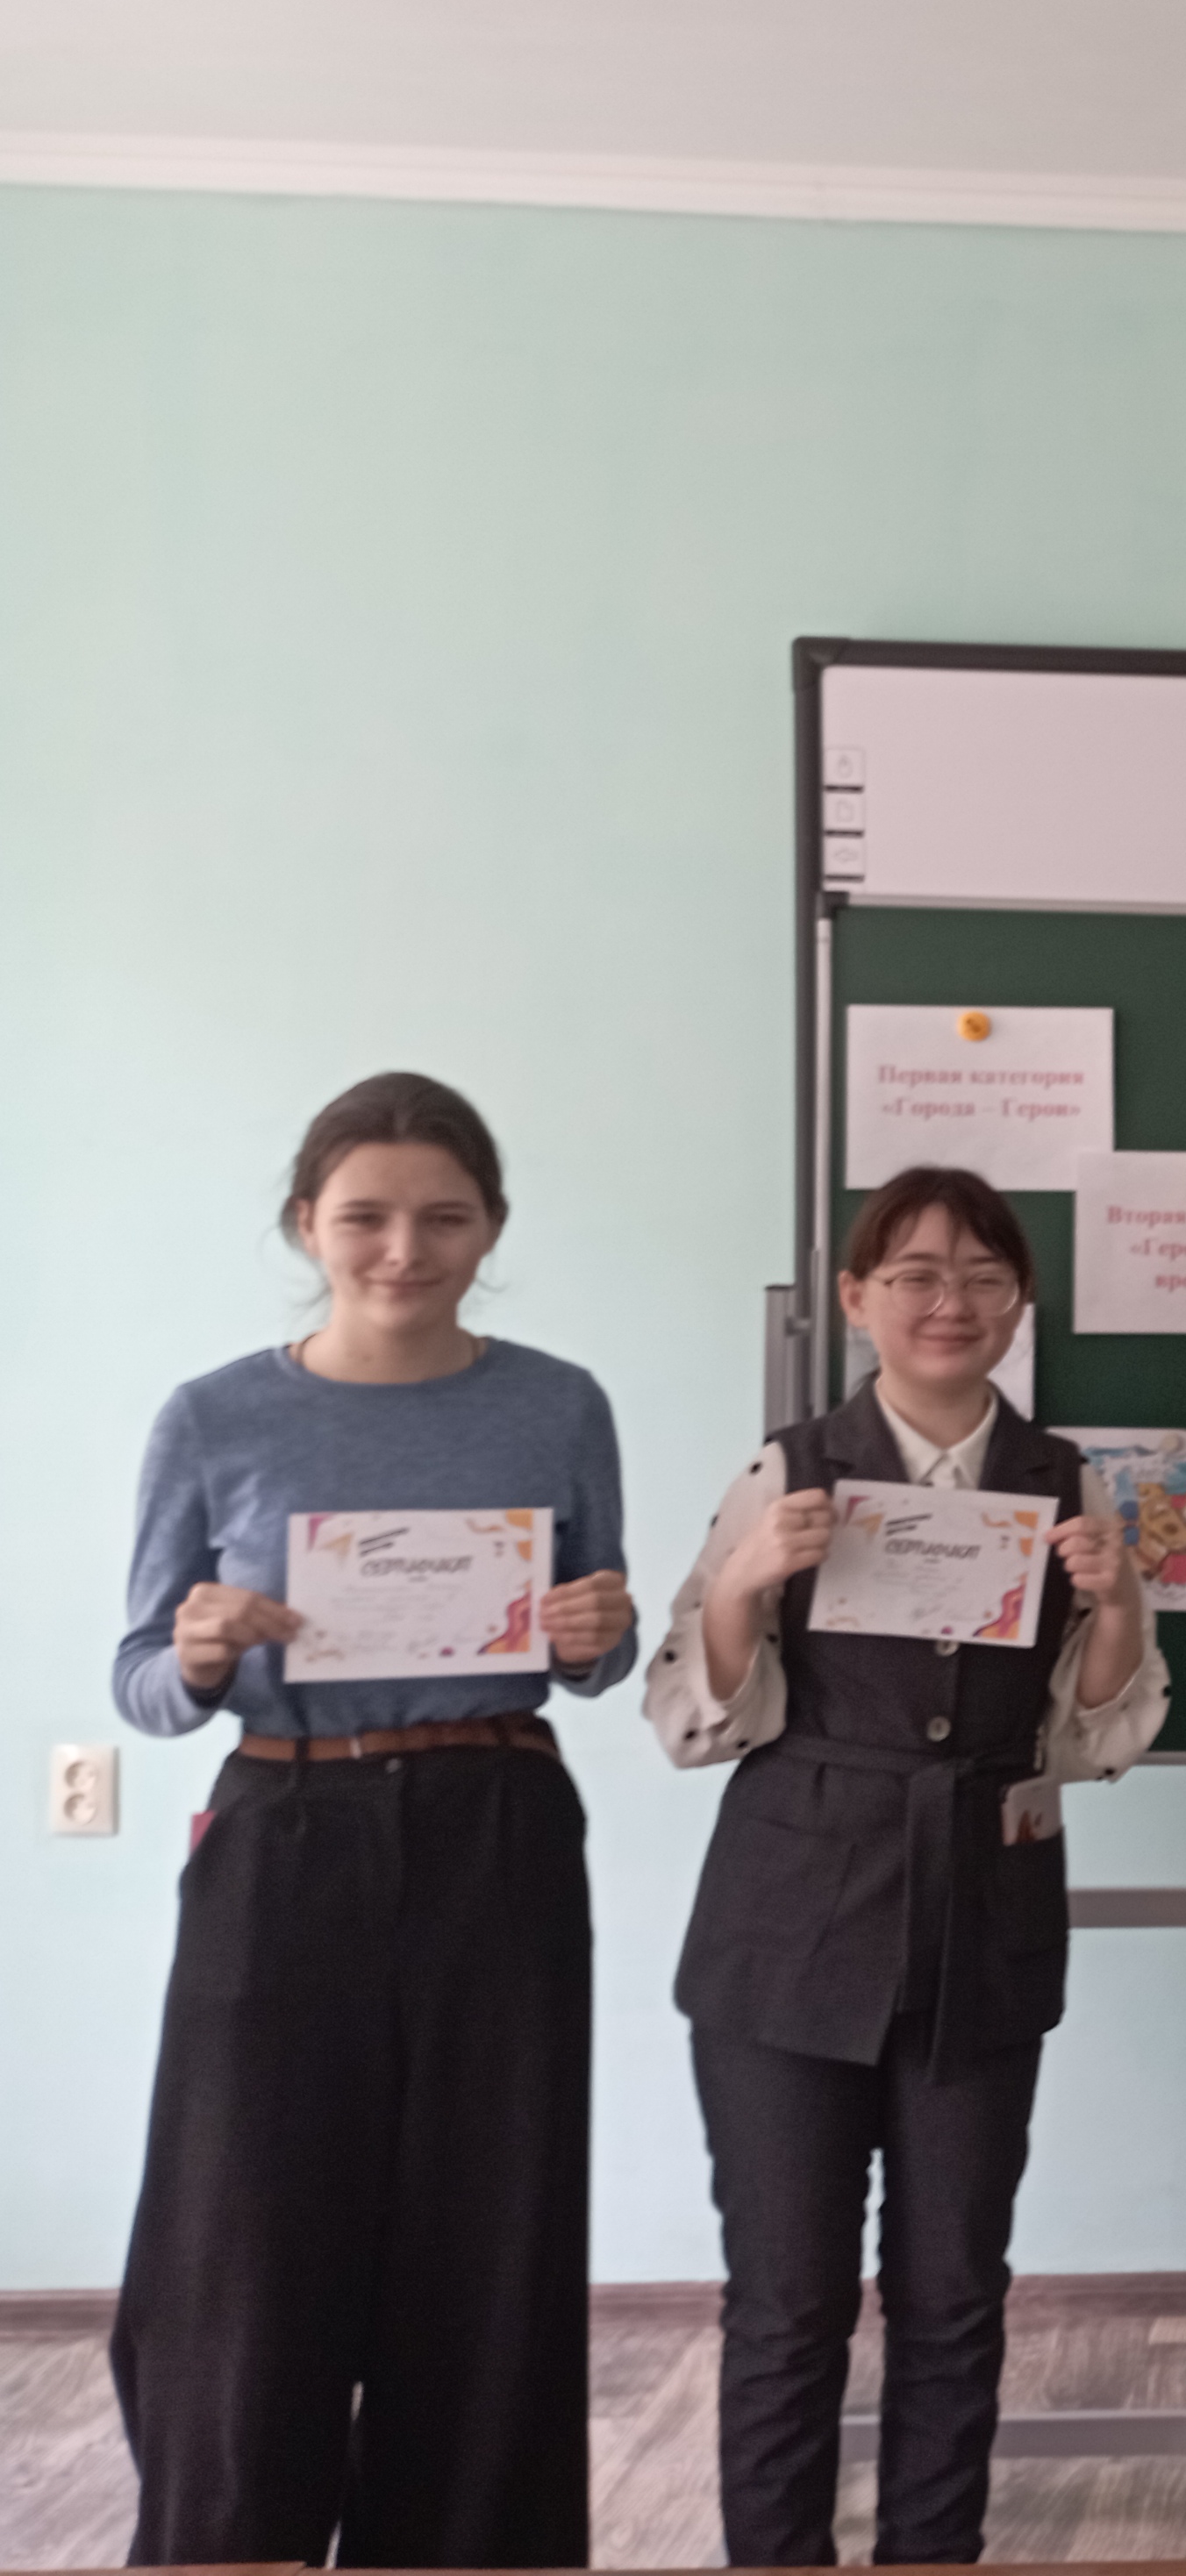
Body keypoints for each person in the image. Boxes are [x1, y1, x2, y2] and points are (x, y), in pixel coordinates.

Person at [109, 1072, 639, 2568]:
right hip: (284, 1825)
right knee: (244, 2230)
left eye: (444, 1217)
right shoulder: (213, 1414)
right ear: (306, 1222)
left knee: (492, 2225)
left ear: (492, 1228)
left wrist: (602, 1629)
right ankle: (229, 2543)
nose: (404, 1249)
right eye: (366, 1216)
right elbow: (141, 1679)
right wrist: (197, 1653)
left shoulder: (559, 1402)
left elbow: (593, 1656)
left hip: (497, 1822)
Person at [645, 1166, 1168, 2567]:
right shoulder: (786, 1470)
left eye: (986, 1278)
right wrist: (743, 1583)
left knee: (953, 2292)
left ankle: (934, 2556)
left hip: (982, 1920)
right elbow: (691, 1720)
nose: (952, 1302)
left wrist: (1119, 1607)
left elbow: (1092, 1736)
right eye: (918, 1275)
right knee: (787, 2300)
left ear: (1022, 1305)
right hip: (786, 1929)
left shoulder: (1064, 1482)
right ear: (856, 1298)